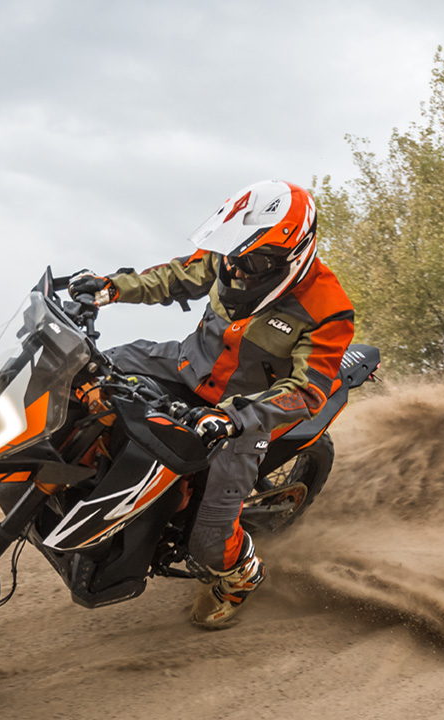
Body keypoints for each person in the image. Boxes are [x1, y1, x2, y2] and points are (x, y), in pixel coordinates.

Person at [68, 180, 355, 629]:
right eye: (234, 253)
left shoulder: (328, 309)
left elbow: (306, 391)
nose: (235, 268)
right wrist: (109, 288)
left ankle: (242, 574)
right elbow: (174, 277)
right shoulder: (233, 257)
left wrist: (235, 418)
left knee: (208, 543)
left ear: (291, 256)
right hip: (187, 364)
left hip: (246, 414)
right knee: (87, 368)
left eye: (249, 260)